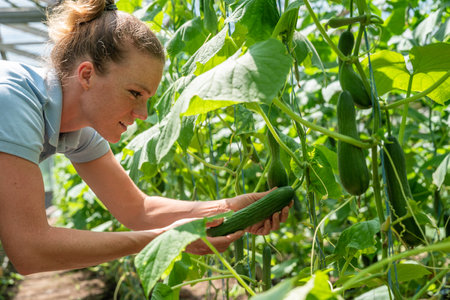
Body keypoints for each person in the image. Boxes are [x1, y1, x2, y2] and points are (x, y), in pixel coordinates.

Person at [0, 0, 291, 275]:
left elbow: (139, 209)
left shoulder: (80, 131)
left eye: (147, 98)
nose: (142, 113)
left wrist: (230, 208)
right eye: (135, 93)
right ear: (86, 75)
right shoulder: (13, 100)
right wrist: (166, 240)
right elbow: (30, 250)